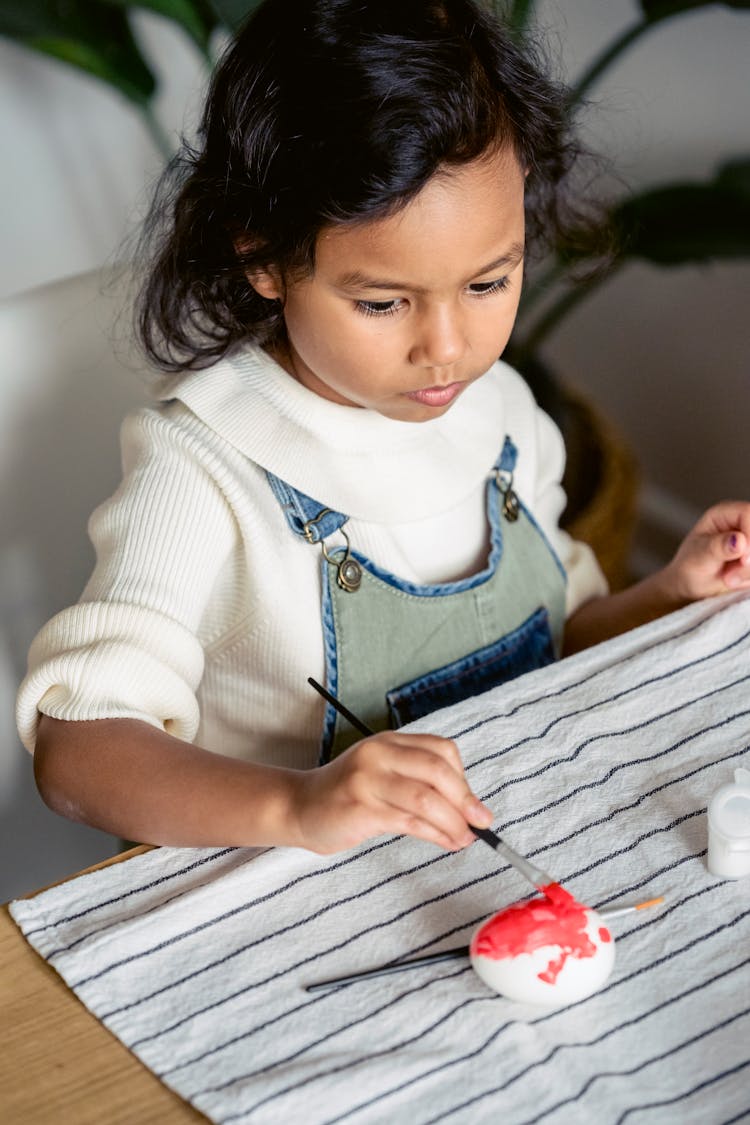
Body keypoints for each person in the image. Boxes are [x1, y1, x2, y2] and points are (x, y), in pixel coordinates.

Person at [16, 0, 750, 857]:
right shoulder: (204, 464)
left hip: (498, 859)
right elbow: (77, 751)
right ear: (263, 258)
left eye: (488, 284)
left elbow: (562, 633)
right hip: (286, 908)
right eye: (382, 302)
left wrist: (673, 594)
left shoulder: (504, 411)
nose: (447, 349)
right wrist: (300, 805)